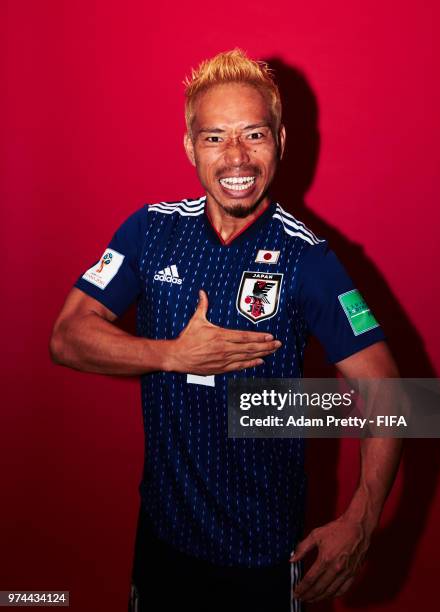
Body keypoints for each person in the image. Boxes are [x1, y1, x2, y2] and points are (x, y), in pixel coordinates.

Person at [50, 49, 402, 612]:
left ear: (280, 141)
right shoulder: (150, 232)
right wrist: (173, 354)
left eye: (253, 134)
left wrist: (361, 517)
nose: (235, 156)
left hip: (266, 557)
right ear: (190, 147)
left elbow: (392, 392)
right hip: (162, 541)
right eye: (214, 137)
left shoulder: (308, 259)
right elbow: (66, 337)